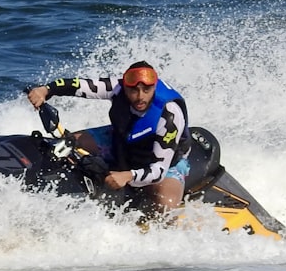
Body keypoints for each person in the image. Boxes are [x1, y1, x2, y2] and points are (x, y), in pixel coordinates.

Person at [26, 60, 191, 214]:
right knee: (66, 145)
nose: (140, 96)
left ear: (154, 87)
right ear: (125, 87)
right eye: (134, 90)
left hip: (167, 164)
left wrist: (127, 176)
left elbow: (159, 170)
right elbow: (78, 85)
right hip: (123, 142)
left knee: (166, 205)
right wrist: (46, 90)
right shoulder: (117, 87)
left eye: (146, 90)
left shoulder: (169, 115)